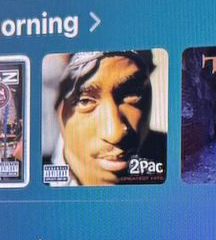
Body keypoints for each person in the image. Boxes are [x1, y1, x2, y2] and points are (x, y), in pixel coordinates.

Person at [48, 50, 166, 185]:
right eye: (85, 101)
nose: (115, 134)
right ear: (58, 107)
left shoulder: (178, 159)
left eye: (133, 93)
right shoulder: (33, 174)